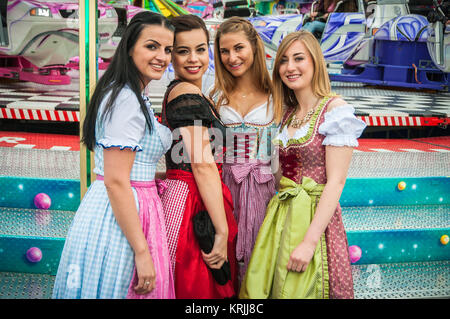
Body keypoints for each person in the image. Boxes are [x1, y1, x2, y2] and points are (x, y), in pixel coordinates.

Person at [52, 12, 175, 299]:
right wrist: (142, 251)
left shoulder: (129, 93)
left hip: (122, 209)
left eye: (167, 49)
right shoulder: (125, 99)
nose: (162, 56)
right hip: (121, 215)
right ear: (130, 47)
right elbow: (116, 181)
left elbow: (126, 168)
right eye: (152, 46)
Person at [239, 30, 366, 299]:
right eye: (283, 60)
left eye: (299, 58)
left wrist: (309, 243)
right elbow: (278, 177)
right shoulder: (286, 114)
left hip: (315, 219)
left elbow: (336, 181)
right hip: (283, 215)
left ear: (315, 63)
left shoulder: (334, 110)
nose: (290, 67)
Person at [160, 14, 238, 299]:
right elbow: (202, 165)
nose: (194, 58)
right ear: (171, 56)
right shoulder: (186, 94)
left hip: (196, 198)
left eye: (200, 49)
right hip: (193, 205)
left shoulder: (192, 93)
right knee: (197, 289)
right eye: (183, 51)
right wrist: (221, 231)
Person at [209, 16, 277, 286]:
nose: (231, 57)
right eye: (224, 51)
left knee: (261, 257)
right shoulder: (215, 95)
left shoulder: (277, 94)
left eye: (238, 48)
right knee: (227, 259)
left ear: (254, 48)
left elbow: (279, 151)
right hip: (225, 185)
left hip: (265, 187)